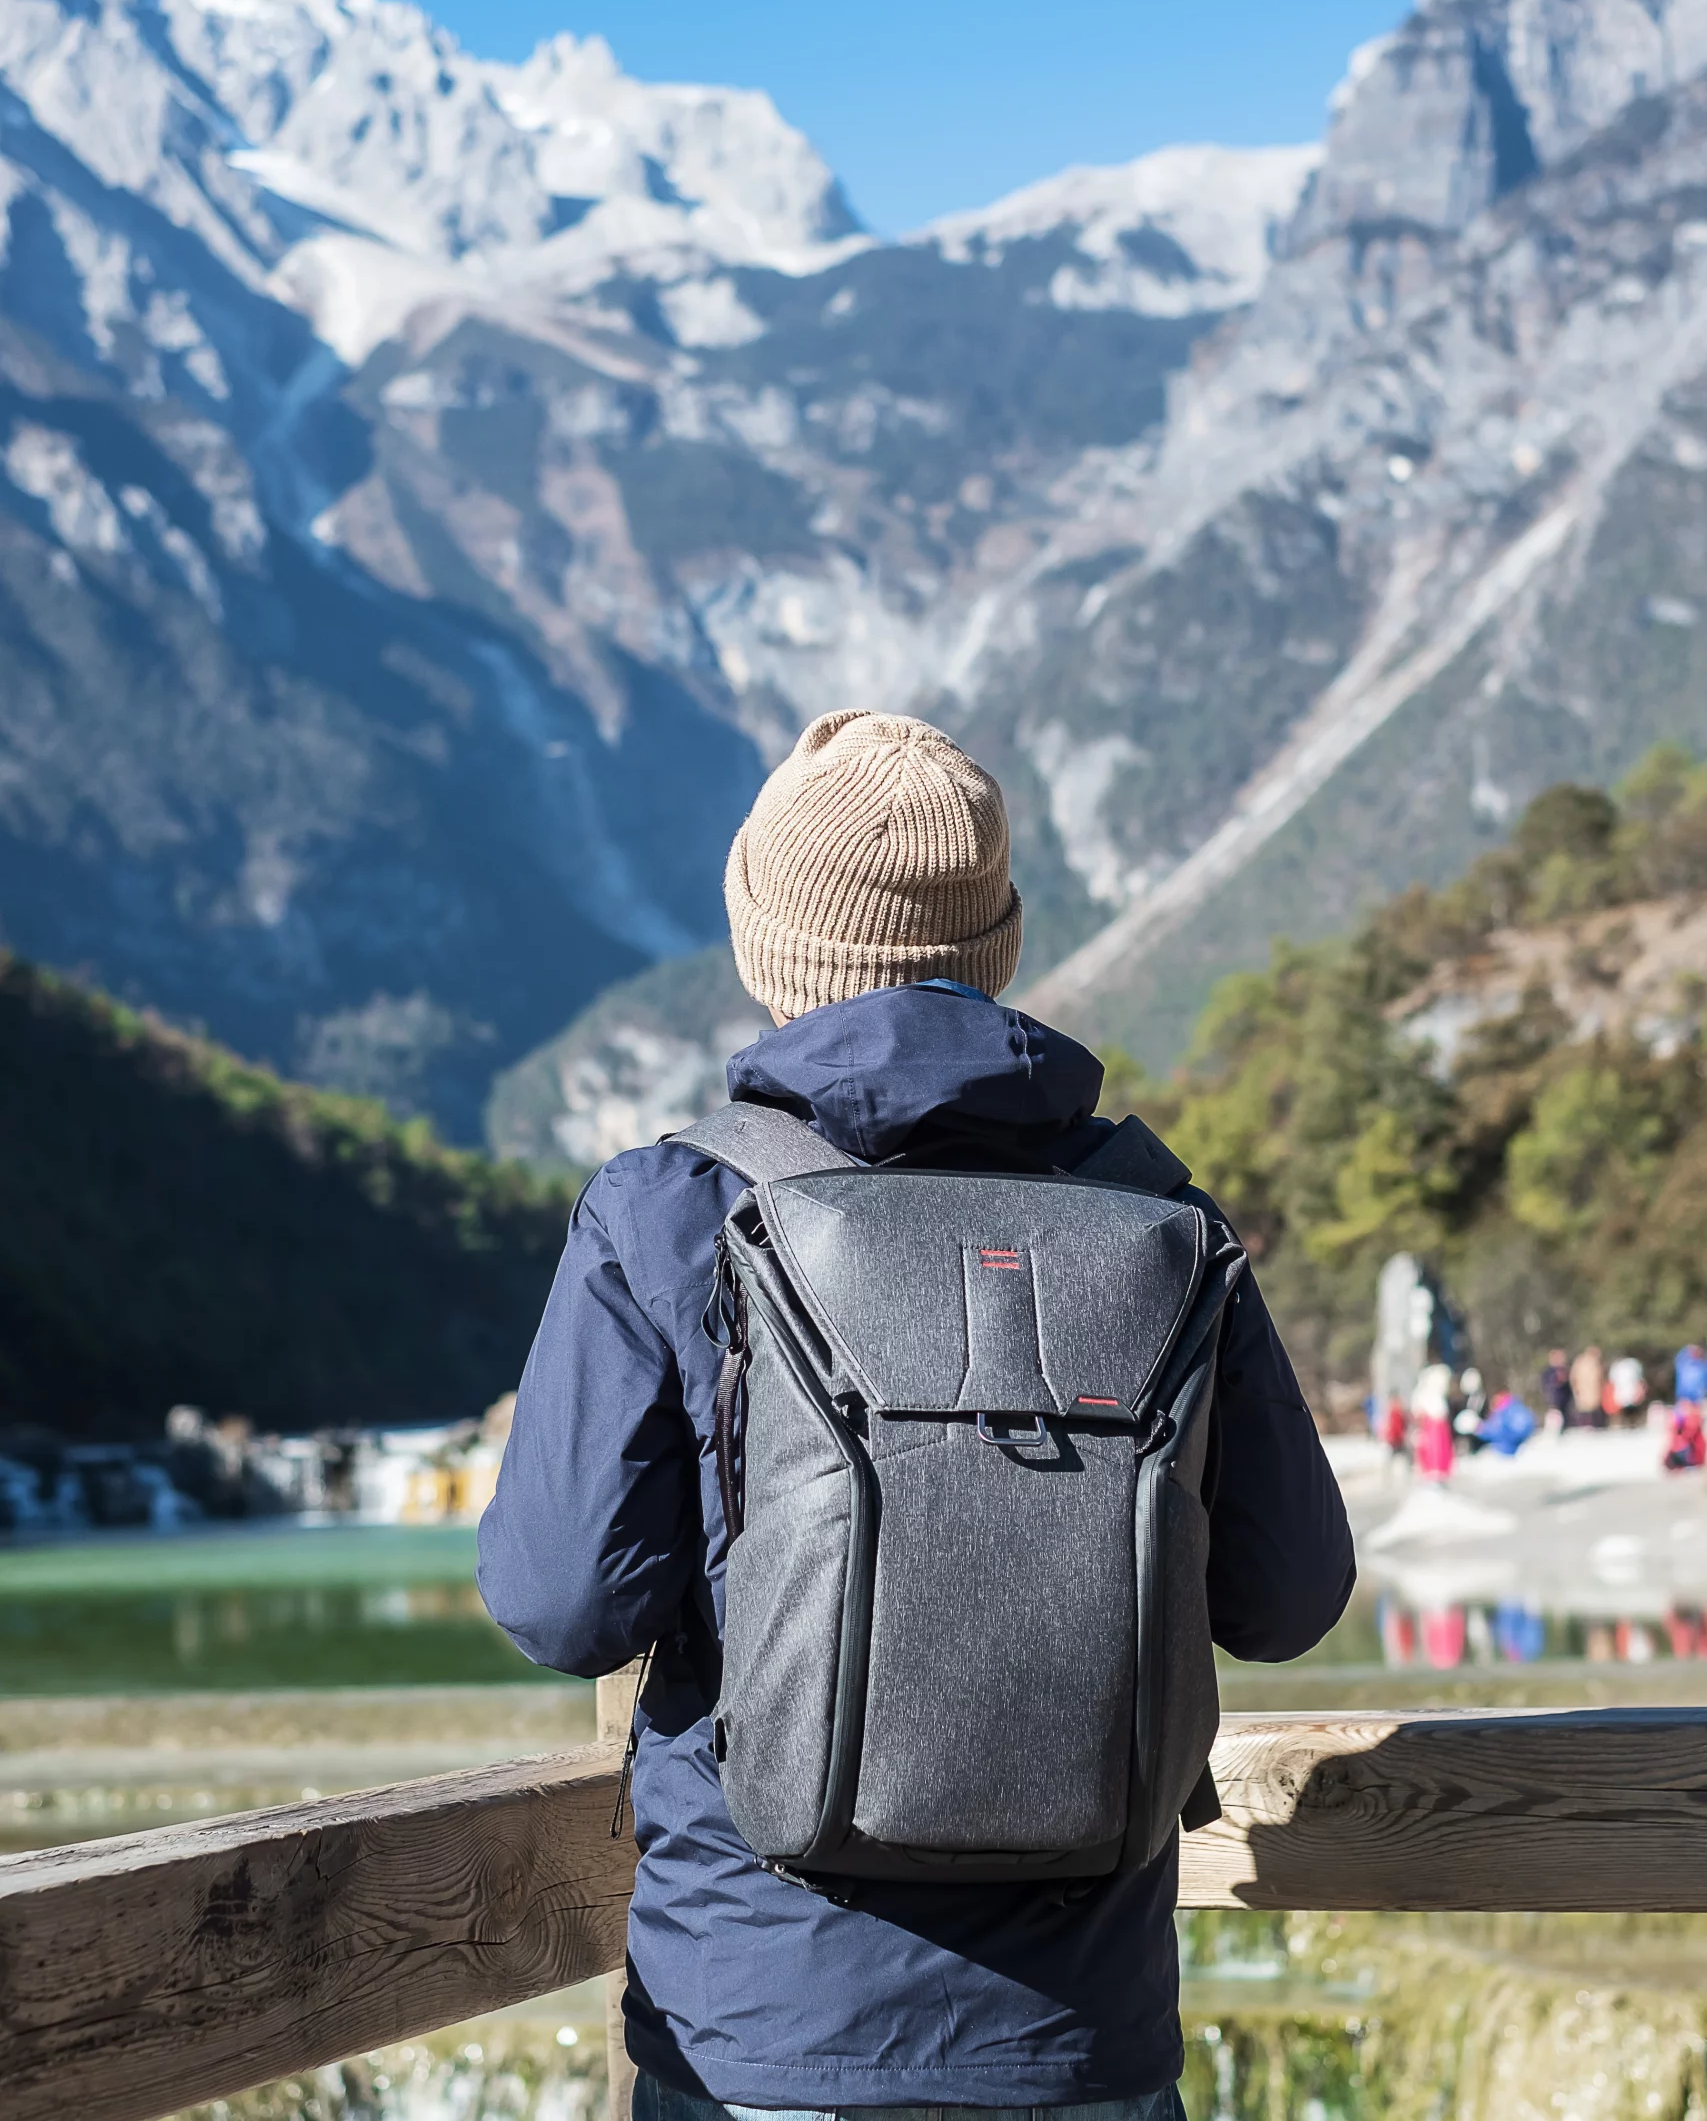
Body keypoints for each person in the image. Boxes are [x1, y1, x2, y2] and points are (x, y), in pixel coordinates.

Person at [478, 710, 1356, 2121]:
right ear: (995, 942)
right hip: (1084, 2042)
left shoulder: (665, 1209)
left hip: (758, 2028)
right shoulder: (1152, 1215)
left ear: (772, 949)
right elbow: (1289, 1594)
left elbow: (562, 1606)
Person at [1569, 1344, 1606, 1428]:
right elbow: (1573, 1376)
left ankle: (1594, 1425)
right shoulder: (1580, 1362)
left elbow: (1600, 1377)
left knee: (1593, 1409)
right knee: (1584, 1409)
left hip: (1594, 1390)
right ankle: (1584, 1425)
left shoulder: (1596, 1363)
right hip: (1583, 1390)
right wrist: (1576, 1388)